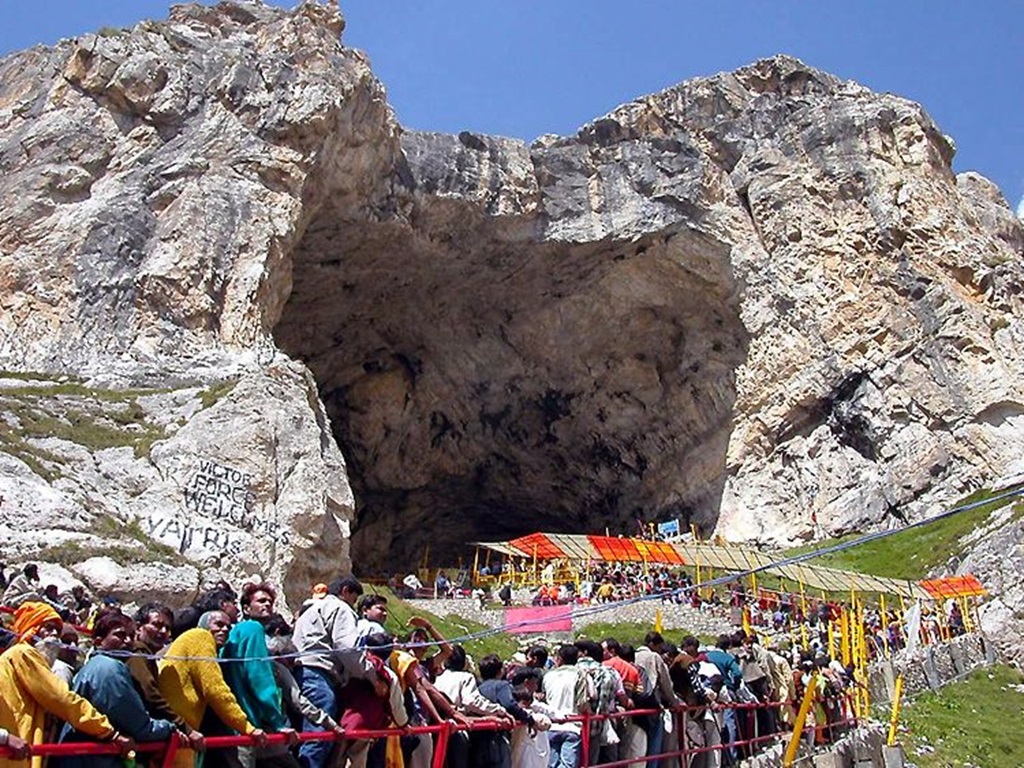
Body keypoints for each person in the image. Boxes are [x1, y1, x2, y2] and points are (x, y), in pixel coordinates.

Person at [0, 602, 133, 768]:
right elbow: (60, 697)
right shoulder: (22, 653)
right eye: (47, 627)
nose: (54, 634)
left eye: (57, 630)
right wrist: (108, 731)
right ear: (31, 628)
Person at [54, 612, 179, 768]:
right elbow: (139, 726)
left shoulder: (95, 666)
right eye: (120, 635)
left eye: (132, 636)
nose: (127, 641)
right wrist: (171, 728)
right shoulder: (108, 669)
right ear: (99, 641)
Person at [158, 611, 269, 768]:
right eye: (218, 624)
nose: (224, 630)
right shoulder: (201, 637)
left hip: (177, 727)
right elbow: (215, 689)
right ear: (204, 624)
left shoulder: (192, 640)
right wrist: (247, 728)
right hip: (180, 730)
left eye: (228, 627)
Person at [292, 575, 380, 768]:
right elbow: (347, 647)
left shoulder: (309, 610)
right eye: (354, 598)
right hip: (320, 674)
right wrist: (371, 675)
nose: (353, 604)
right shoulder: (340, 609)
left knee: (307, 732)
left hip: (299, 673)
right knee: (319, 735)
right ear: (345, 591)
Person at [222, 583, 297, 768]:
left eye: (270, 602)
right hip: (248, 722)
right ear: (246, 608)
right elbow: (258, 677)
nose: (268, 605)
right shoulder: (252, 629)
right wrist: (277, 721)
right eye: (261, 601)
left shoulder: (235, 632)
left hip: (233, 720)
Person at [127, 603, 206, 755]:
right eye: (157, 625)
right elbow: (150, 694)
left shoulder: (148, 656)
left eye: (168, 628)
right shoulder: (138, 653)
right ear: (138, 627)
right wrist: (185, 728)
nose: (163, 632)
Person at [543, 645, 593, 768]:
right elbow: (581, 704)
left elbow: (544, 699)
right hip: (572, 724)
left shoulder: (548, 675)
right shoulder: (580, 674)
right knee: (567, 765)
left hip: (551, 724)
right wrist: (589, 713)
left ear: (559, 658)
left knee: (550, 764)